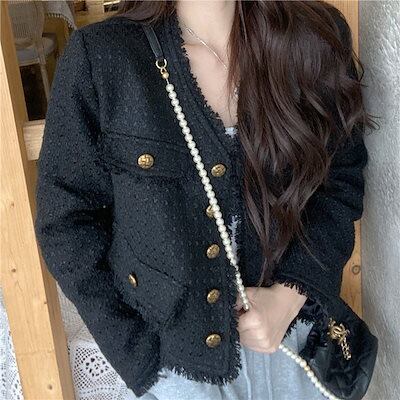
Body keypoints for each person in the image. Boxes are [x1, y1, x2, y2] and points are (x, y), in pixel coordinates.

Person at [34, 1, 377, 399]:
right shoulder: (103, 57)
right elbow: (66, 224)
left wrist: (289, 296)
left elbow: (339, 182)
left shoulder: (314, 36)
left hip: (296, 346)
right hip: (175, 368)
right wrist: (142, 362)